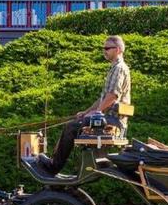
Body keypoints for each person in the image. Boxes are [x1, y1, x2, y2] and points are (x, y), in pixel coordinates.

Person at [39, 35, 131, 175]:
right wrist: (86, 111)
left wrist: (96, 113)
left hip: (112, 120)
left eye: (107, 48)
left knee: (71, 127)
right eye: (103, 48)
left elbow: (112, 96)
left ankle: (53, 166)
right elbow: (103, 98)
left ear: (118, 49)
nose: (104, 51)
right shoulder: (115, 68)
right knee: (75, 122)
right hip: (107, 118)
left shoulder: (119, 68)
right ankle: (56, 163)